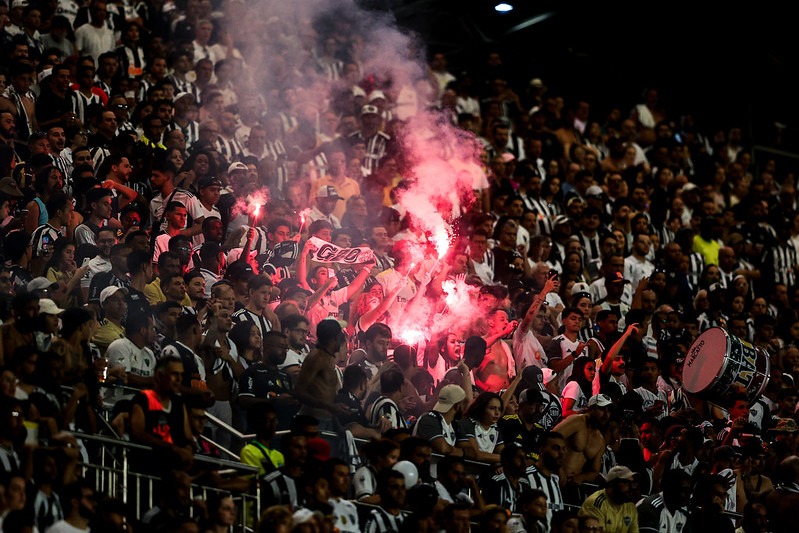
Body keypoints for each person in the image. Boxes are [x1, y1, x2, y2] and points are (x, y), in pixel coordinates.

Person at [129, 355, 194, 471]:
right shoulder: (143, 399)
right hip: (148, 467)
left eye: (181, 375)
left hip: (175, 470)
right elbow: (138, 433)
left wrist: (188, 449)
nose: (179, 379)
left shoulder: (178, 403)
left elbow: (187, 436)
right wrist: (173, 448)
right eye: (174, 374)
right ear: (159, 376)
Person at [552, 393, 611, 491]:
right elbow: (551, 438)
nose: (606, 414)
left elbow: (594, 471)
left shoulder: (600, 440)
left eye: (608, 411)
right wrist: (559, 469)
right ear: (591, 409)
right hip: (554, 476)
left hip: (571, 486)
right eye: (601, 409)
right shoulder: (577, 421)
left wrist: (581, 477)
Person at [579, 465, 639, 533]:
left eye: (632, 483)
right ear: (612, 484)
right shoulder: (596, 504)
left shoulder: (630, 506)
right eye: (626, 483)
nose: (632, 487)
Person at [413, 383, 467, 457]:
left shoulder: (455, 424)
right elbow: (443, 448)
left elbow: (470, 451)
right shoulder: (429, 419)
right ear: (458, 406)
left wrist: (455, 451)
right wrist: (462, 452)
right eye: (464, 403)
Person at [636, 468, 691, 533]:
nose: (688, 495)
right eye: (683, 490)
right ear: (671, 489)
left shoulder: (683, 512)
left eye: (689, 491)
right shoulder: (650, 507)